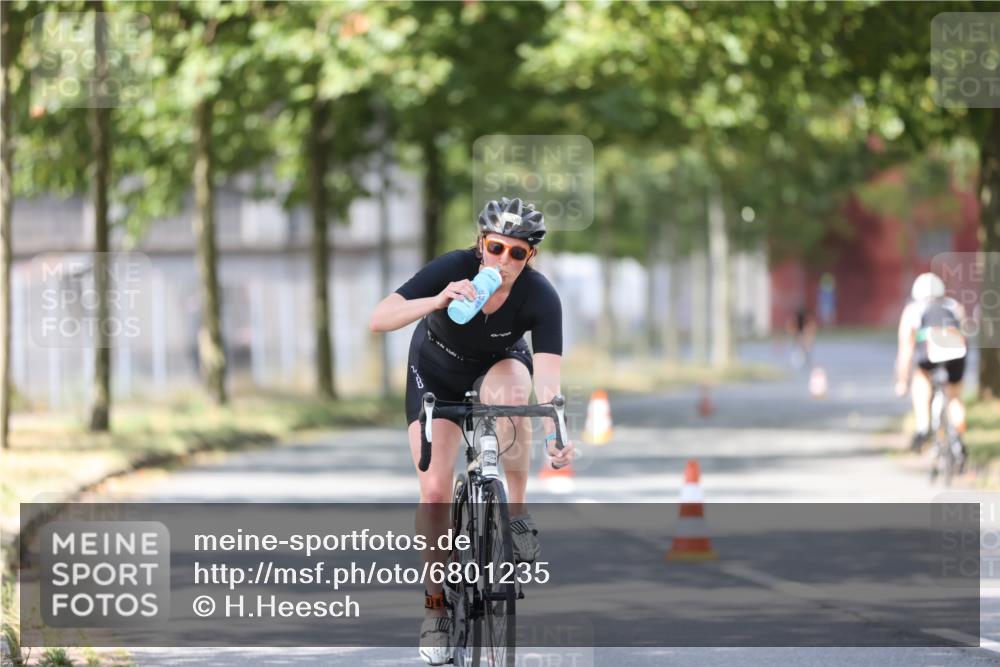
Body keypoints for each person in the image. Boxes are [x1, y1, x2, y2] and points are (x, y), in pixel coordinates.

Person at [368, 196, 575, 665]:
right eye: (496, 248)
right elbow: (379, 318)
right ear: (481, 244)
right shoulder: (454, 267)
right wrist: (439, 299)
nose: (503, 261)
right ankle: (436, 605)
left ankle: (516, 512)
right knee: (436, 491)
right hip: (436, 368)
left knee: (515, 397)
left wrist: (558, 436)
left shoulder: (540, 296)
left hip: (500, 366)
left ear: (530, 257)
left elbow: (549, 383)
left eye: (516, 253)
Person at [894, 272, 968, 459]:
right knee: (954, 396)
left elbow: (906, 350)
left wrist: (902, 381)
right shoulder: (954, 306)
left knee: (921, 377)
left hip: (929, 350)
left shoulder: (913, 310)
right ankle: (958, 436)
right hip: (956, 350)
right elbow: (965, 332)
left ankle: (923, 426)